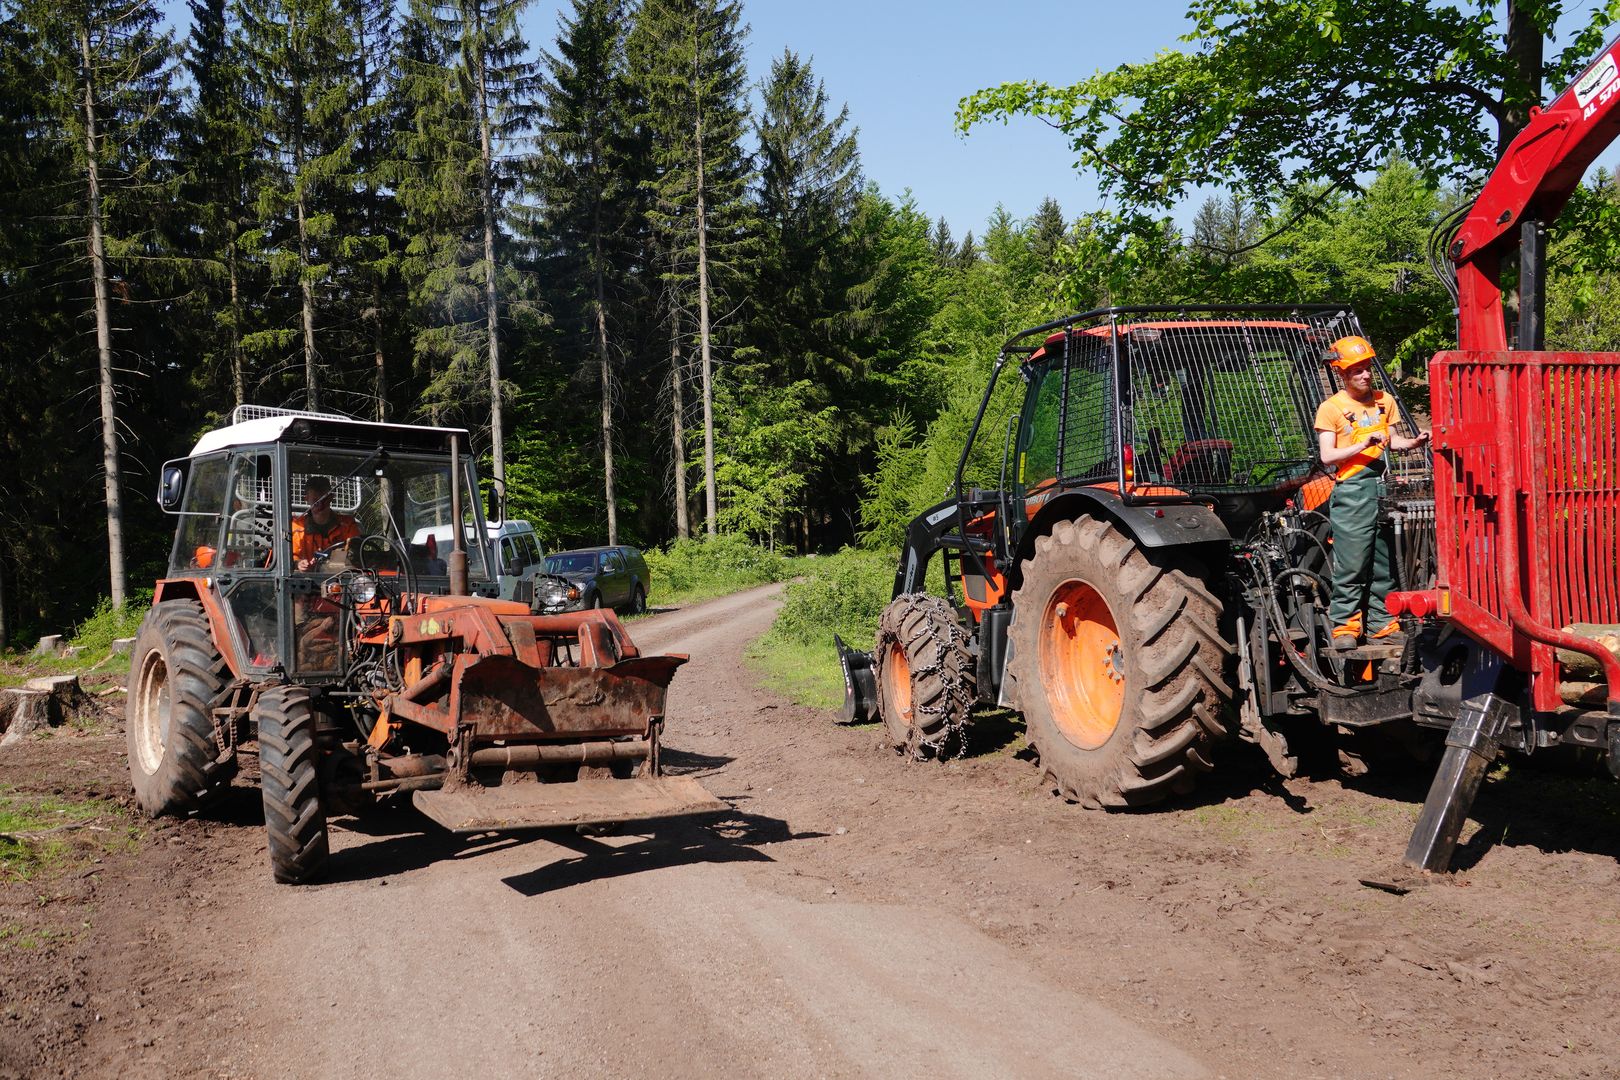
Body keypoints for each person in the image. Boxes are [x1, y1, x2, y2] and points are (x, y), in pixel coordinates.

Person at [1314, 336, 1431, 650]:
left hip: (1382, 487)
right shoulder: (1331, 408)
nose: (1365, 374)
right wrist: (1361, 445)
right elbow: (1327, 456)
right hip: (1352, 490)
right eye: (1357, 370)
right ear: (1342, 373)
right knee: (1354, 561)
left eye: (1367, 368)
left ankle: (1381, 622)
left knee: (1384, 560)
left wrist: (1415, 443)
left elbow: (1392, 441)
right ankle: (1345, 627)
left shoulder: (1385, 401)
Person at [291, 474, 360, 572]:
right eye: (315, 500)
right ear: (306, 499)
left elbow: (355, 553)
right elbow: (291, 555)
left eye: (324, 499)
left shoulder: (347, 525)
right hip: (305, 579)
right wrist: (298, 563)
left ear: (331, 498)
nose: (320, 505)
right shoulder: (297, 527)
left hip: (340, 578)